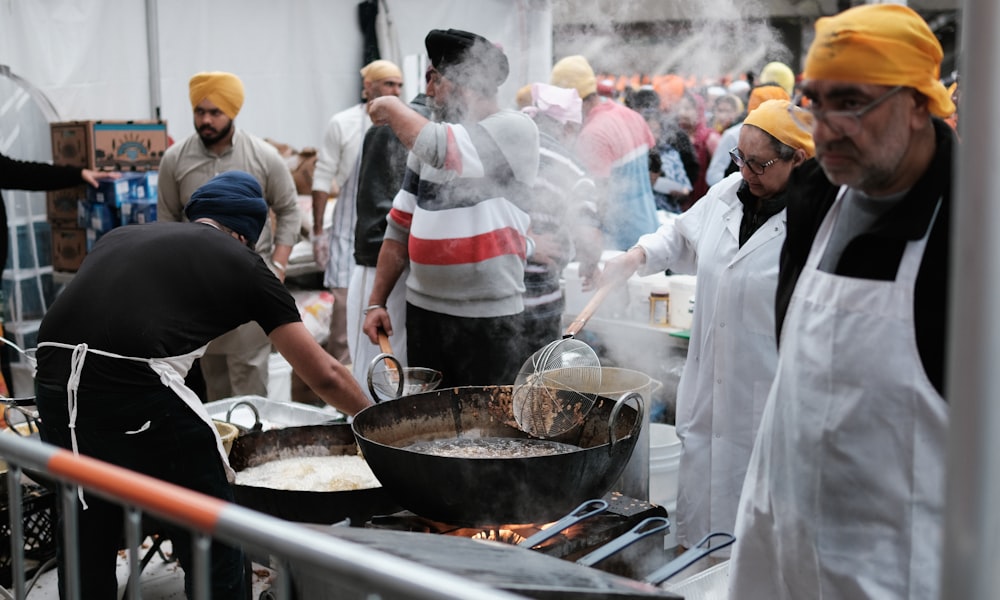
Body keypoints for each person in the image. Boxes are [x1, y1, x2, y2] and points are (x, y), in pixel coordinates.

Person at [34, 171, 372, 600]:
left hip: (51, 384)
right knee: (212, 521)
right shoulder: (243, 262)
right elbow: (324, 373)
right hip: (129, 386)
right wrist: (376, 424)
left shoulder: (121, 236)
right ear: (243, 234)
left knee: (87, 513)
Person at [728, 5, 957, 598]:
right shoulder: (813, 199)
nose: (824, 128)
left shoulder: (972, 232)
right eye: (815, 101)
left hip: (903, 574)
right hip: (778, 552)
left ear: (917, 105)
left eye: (851, 102)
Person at [600, 99, 814, 556]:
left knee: (755, 545)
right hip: (710, 392)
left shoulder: (814, 222)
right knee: (698, 538)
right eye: (741, 157)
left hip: (768, 398)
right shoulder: (729, 193)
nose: (747, 172)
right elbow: (680, 235)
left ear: (799, 158)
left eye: (760, 163)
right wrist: (635, 257)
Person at [362, 28, 539, 388]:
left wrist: (393, 106)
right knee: (432, 433)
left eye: (434, 79)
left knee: (491, 434)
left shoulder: (515, 129)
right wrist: (376, 302)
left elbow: (444, 148)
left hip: (490, 318)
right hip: (424, 313)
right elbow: (398, 229)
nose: (427, 91)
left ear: (464, 81)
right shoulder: (428, 144)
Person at [157, 71, 302, 401]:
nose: (206, 120)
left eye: (215, 112)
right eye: (199, 112)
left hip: (250, 286)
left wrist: (278, 266)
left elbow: (290, 209)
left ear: (232, 112)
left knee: (251, 386)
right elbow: (167, 222)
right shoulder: (174, 160)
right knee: (214, 386)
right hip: (199, 293)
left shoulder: (263, 156)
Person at [311, 59, 403, 366]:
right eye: (389, 84)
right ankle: (343, 383)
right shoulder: (343, 123)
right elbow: (322, 179)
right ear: (368, 87)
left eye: (399, 85)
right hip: (347, 232)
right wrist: (318, 233)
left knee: (382, 313)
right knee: (343, 314)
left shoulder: (404, 124)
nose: (396, 91)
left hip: (385, 233)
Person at [346, 90, 431, 398]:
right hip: (381, 263)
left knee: (400, 372)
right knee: (375, 374)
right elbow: (384, 211)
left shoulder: (440, 127)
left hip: (408, 268)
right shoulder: (395, 128)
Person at [519, 82, 602, 359]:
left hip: (490, 298)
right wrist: (591, 264)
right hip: (538, 302)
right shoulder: (573, 170)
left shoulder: (504, 150)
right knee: (536, 388)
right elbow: (587, 235)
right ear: (568, 128)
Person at [550, 55, 658, 250]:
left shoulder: (592, 136)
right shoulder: (630, 114)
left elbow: (598, 201)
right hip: (649, 230)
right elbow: (656, 165)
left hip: (618, 243)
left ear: (572, 100)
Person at [705, 82, 790, 187]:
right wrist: (736, 188)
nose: (746, 173)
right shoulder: (734, 135)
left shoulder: (790, 139)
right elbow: (713, 176)